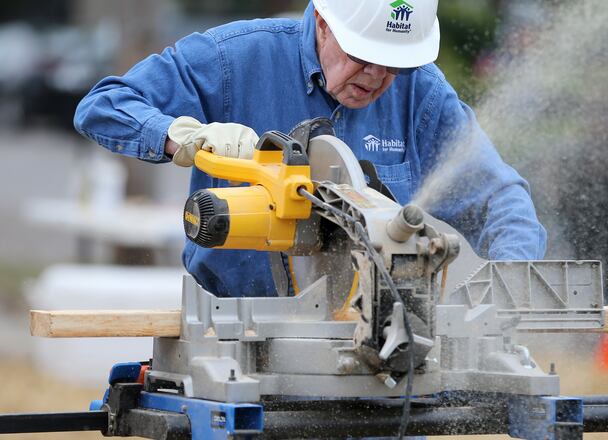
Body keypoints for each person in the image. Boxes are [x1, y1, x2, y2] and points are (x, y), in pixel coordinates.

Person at [73, 0, 547, 298]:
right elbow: (104, 105)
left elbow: (499, 198)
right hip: (237, 335)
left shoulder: (421, 91)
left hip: (378, 343)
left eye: (394, 66)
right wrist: (181, 135)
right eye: (364, 57)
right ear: (323, 23)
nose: (377, 78)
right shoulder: (236, 58)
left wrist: (510, 290)